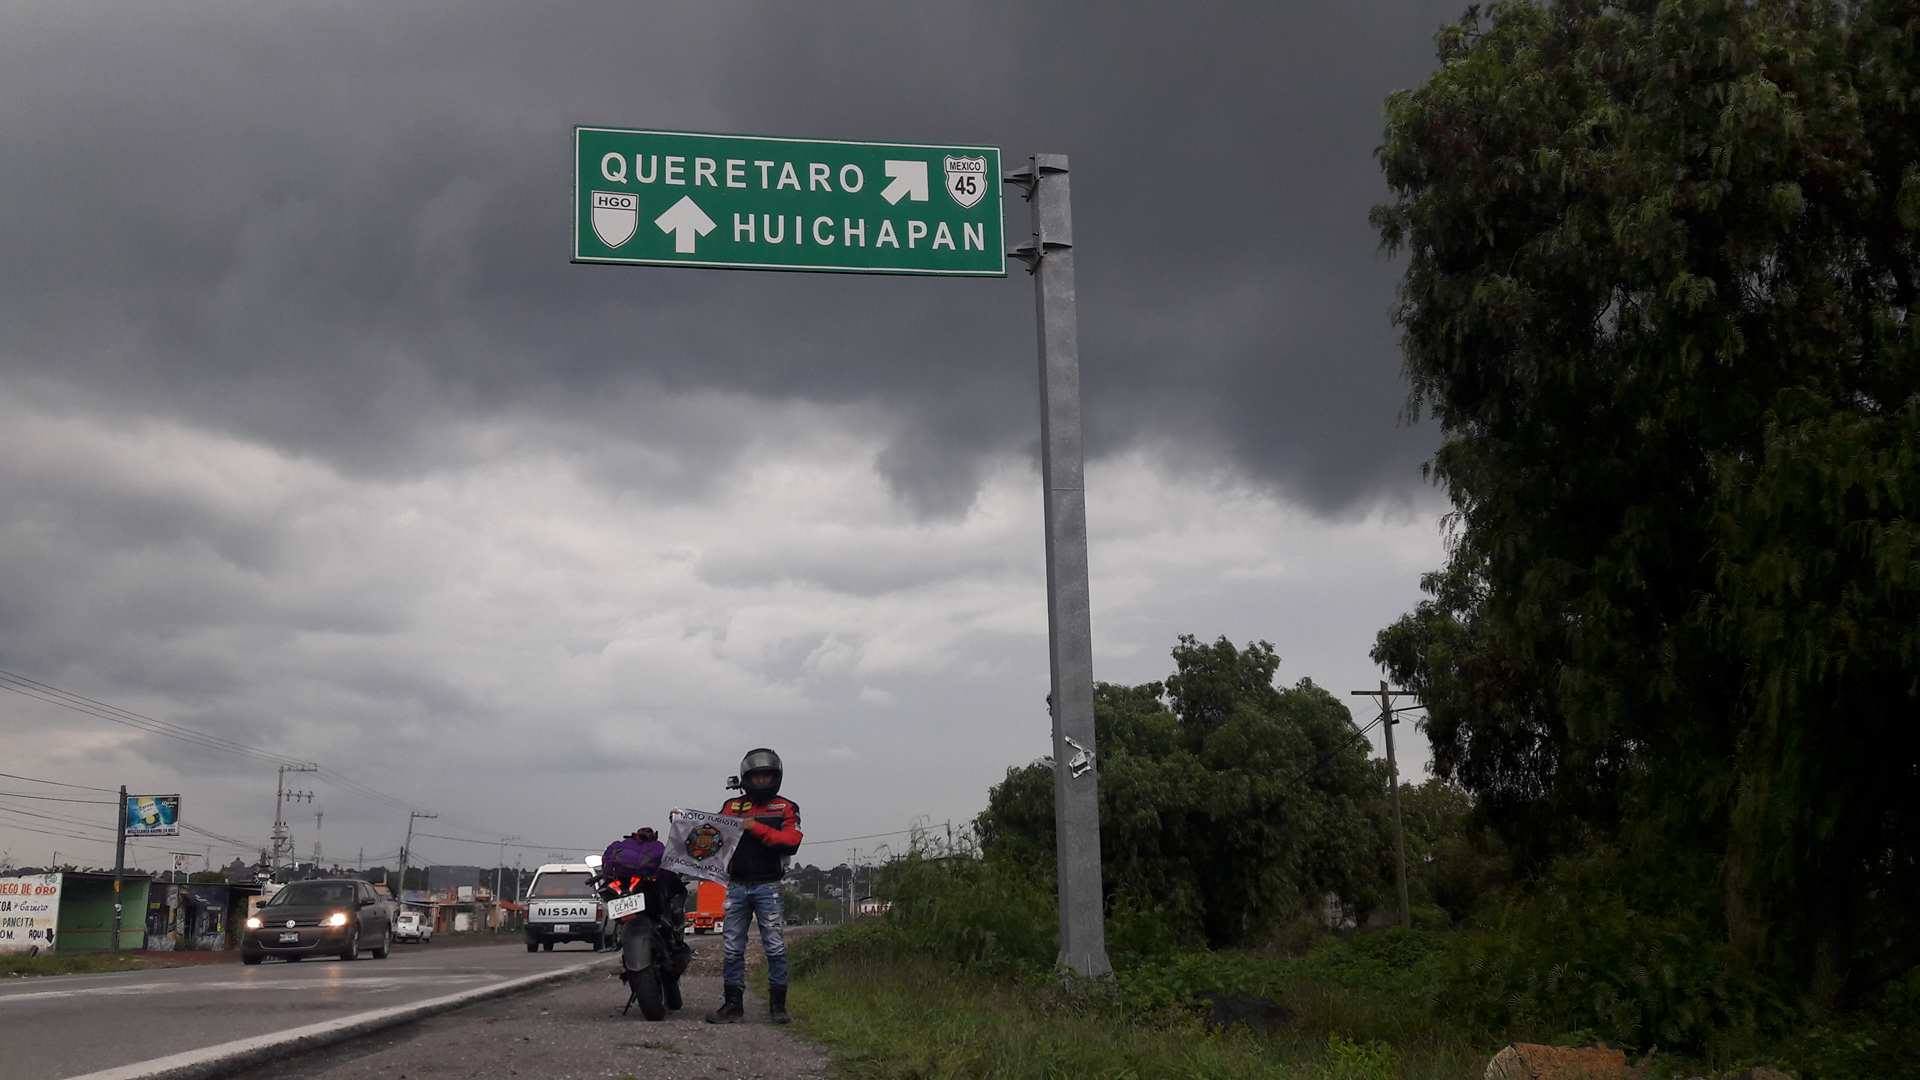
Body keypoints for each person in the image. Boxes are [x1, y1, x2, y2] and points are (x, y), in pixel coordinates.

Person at [706, 747, 803, 1025]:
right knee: (732, 947)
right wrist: (684, 823)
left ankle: (778, 1007)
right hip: (736, 885)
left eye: (766, 776)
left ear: (776, 777)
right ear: (746, 778)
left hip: (768, 886)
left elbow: (792, 841)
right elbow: (712, 836)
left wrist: (754, 827)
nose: (761, 781)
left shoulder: (785, 807)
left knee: (774, 946)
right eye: (757, 777)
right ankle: (733, 1005)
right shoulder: (731, 806)